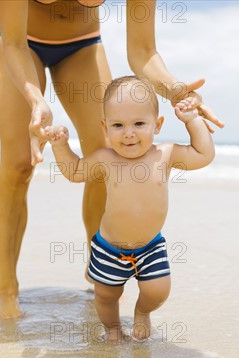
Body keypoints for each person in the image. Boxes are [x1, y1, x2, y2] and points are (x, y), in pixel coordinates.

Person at [0, 0, 224, 319]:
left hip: (81, 44)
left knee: (107, 155)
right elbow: (14, 45)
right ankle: (7, 289)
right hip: (13, 41)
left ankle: (99, 272)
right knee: (19, 164)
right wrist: (36, 100)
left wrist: (176, 90)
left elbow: (143, 52)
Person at [45, 76, 215, 341]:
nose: (128, 133)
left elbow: (204, 155)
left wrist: (192, 119)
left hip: (150, 246)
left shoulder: (165, 155)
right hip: (109, 247)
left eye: (139, 123)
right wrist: (60, 146)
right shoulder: (106, 159)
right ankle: (113, 329)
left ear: (157, 125)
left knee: (158, 291)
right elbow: (74, 171)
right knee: (105, 295)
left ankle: (142, 312)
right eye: (118, 125)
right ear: (106, 128)